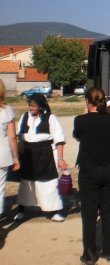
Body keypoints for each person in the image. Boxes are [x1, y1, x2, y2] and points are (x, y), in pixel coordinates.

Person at [73, 87, 110, 265]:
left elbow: (79, 138)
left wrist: (85, 114)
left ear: (87, 101)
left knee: (89, 214)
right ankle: (109, 250)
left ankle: (89, 253)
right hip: (109, 167)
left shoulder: (80, 120)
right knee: (108, 211)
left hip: (89, 169)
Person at [15, 93, 68, 222]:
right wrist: (20, 143)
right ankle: (21, 209)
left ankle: (54, 211)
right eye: (29, 105)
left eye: (33, 105)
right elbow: (20, 134)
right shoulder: (24, 117)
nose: (30, 107)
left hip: (45, 154)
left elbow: (59, 140)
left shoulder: (51, 118)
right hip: (28, 154)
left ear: (40, 106)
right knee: (26, 183)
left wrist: (60, 159)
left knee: (48, 183)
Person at [0, 79, 19, 220]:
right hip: (2, 154)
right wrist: (16, 157)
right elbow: (12, 136)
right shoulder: (7, 110)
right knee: (0, 190)